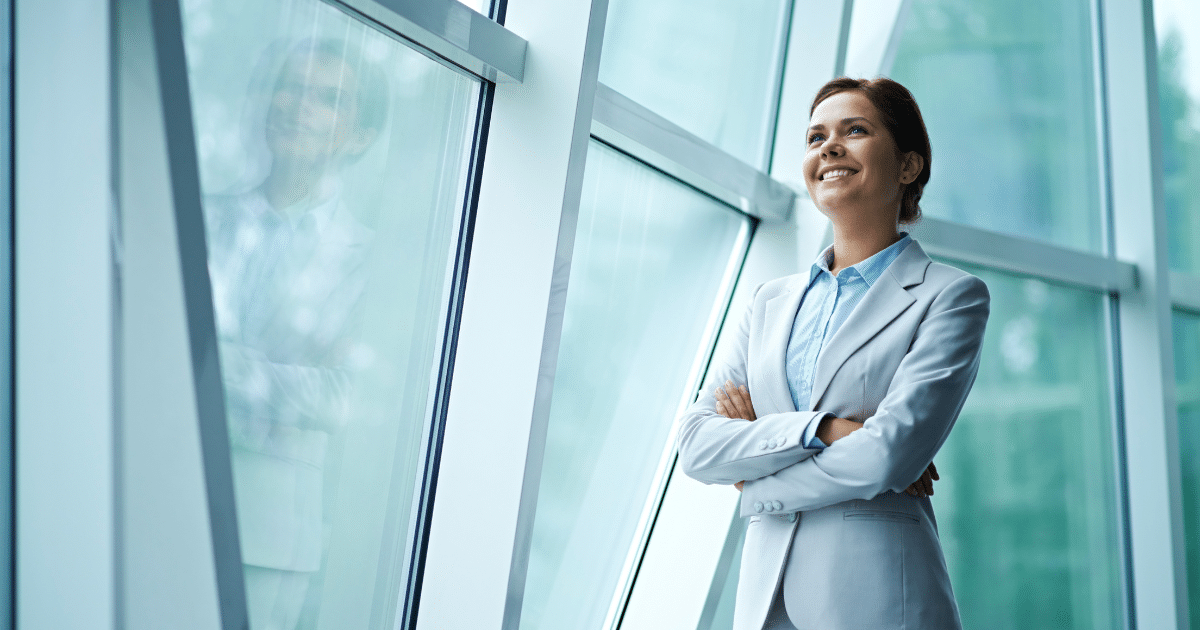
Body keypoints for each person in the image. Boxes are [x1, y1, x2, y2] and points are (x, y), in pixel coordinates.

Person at [676, 77, 990, 630]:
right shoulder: (768, 302)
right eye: (815, 136)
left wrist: (757, 479)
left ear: (909, 166)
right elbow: (699, 447)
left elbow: (888, 457)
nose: (828, 147)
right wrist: (826, 431)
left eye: (856, 130)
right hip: (764, 603)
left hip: (878, 603)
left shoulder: (950, 296)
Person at [202, 38, 389, 630]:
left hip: (270, 527)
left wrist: (224, 370)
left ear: (357, 135)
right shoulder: (200, 216)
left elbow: (343, 397)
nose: (299, 106)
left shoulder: (367, 262)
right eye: (293, 87)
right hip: (159, 481)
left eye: (328, 98)